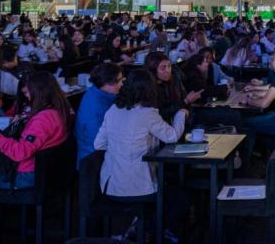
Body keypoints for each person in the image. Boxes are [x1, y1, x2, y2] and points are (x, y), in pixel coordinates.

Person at [0, 71, 72, 244]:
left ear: (39, 91)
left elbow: (20, 153)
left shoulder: (43, 118)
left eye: (27, 93)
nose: (26, 97)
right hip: (47, 174)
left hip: (27, 176)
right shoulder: (60, 110)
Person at [94, 69, 190, 238]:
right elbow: (172, 136)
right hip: (138, 187)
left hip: (111, 185)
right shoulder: (147, 114)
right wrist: (181, 114)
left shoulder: (113, 110)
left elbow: (98, 144)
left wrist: (121, 145)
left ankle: (141, 227)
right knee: (182, 199)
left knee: (170, 183)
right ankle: (145, 230)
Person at [74, 63, 124, 167]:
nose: (121, 84)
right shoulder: (95, 109)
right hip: (93, 160)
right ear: (106, 82)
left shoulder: (96, 91)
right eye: (119, 81)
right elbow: (98, 143)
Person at [145, 52, 202, 123]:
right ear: (153, 71)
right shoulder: (148, 87)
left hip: (183, 120)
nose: (168, 70)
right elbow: (159, 114)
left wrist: (190, 102)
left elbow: (186, 103)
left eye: (169, 66)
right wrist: (186, 101)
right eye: (163, 68)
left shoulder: (175, 80)